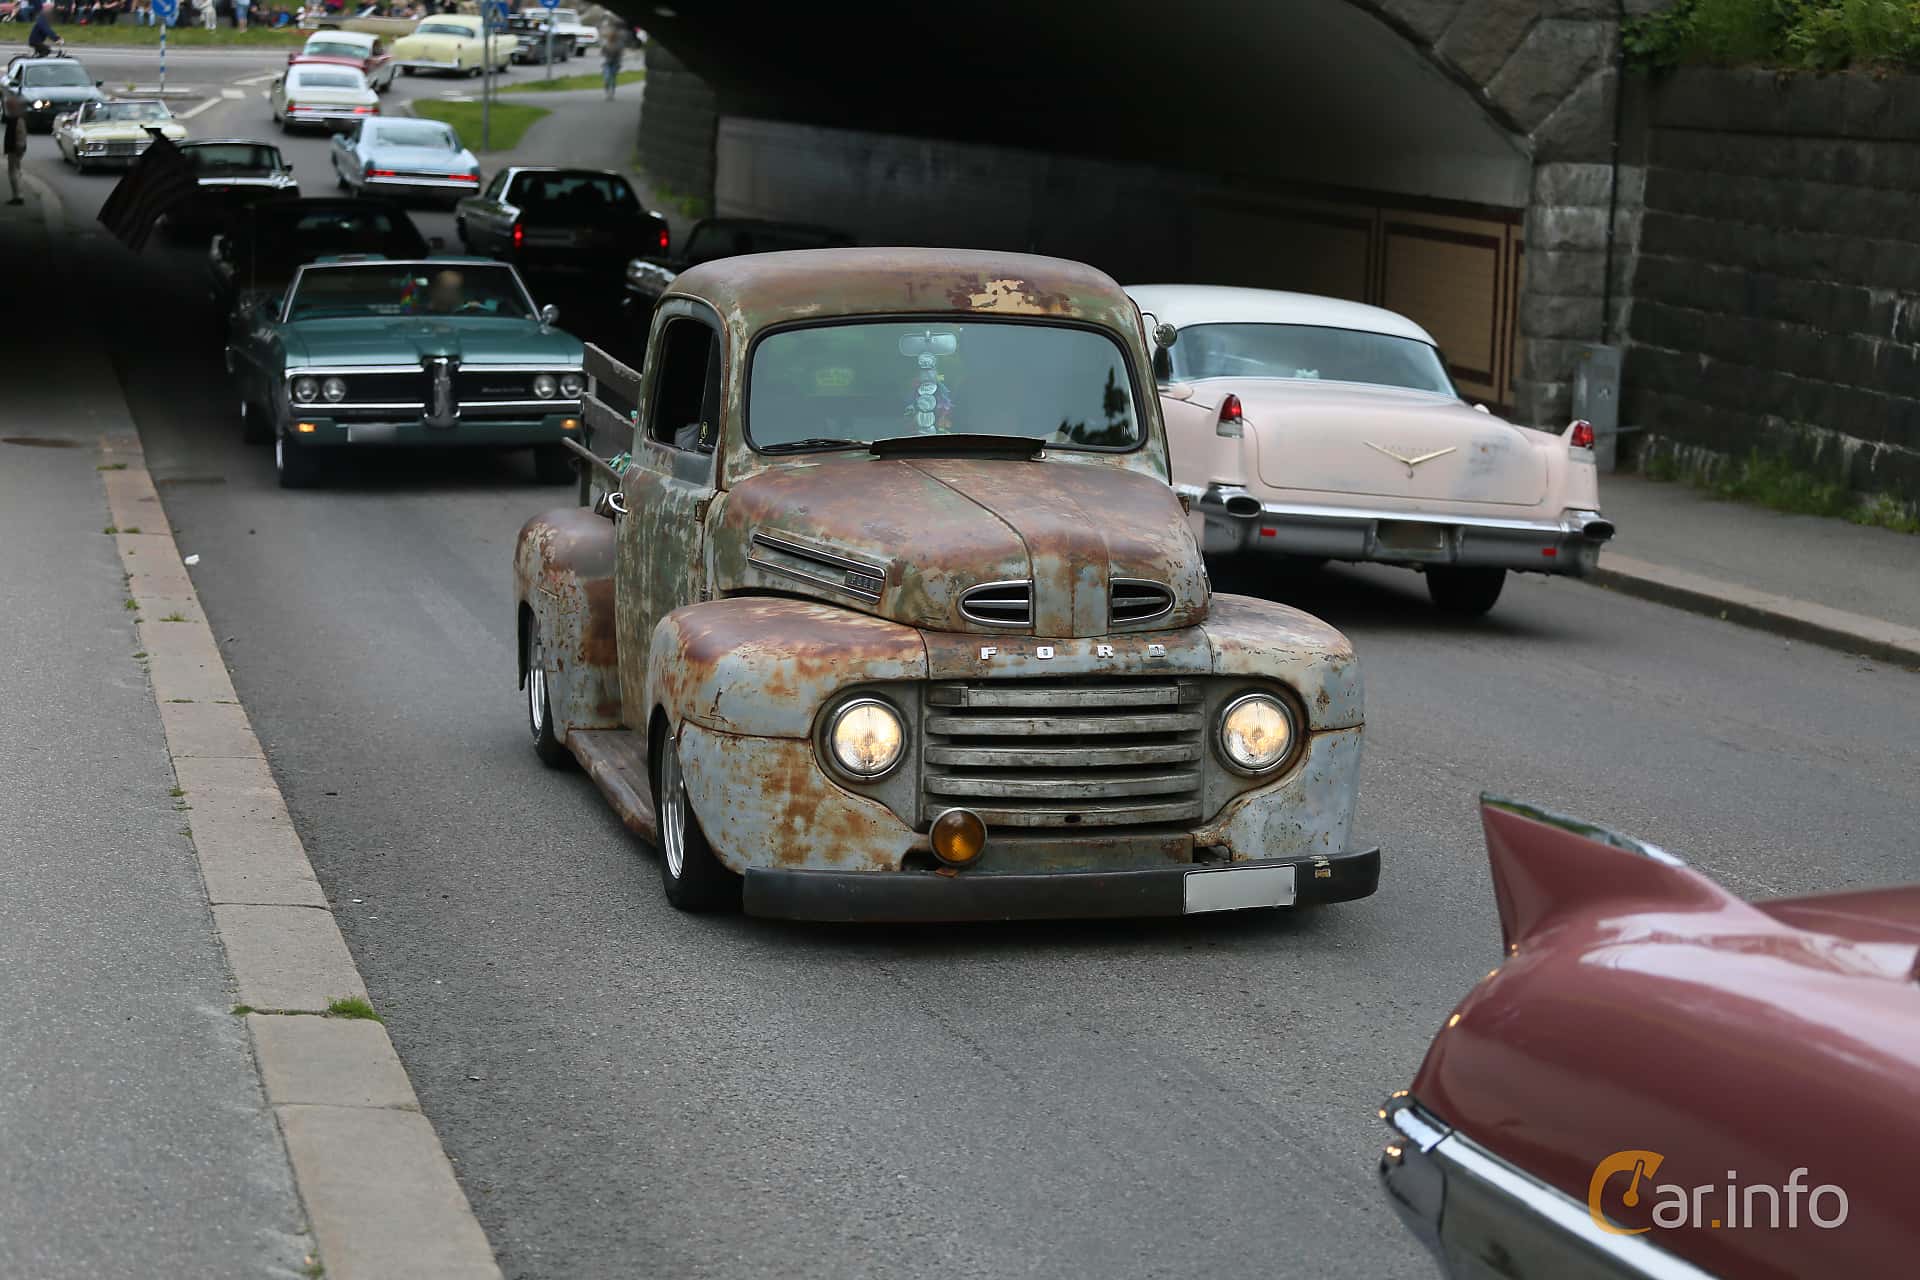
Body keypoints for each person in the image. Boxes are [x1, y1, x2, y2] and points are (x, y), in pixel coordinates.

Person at [3, 88, 26, 206]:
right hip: (14, 146)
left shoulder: (17, 119)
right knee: (15, 170)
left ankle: (18, 195)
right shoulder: (14, 118)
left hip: (15, 147)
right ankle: (17, 194)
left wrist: (19, 146)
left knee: (14, 171)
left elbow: (20, 134)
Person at [598, 14, 625, 99]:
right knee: (606, 78)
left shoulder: (619, 44)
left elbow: (620, 54)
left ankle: (611, 94)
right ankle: (607, 93)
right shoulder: (606, 43)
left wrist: (619, 63)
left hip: (615, 63)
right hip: (607, 63)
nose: (611, 36)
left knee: (612, 79)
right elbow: (602, 52)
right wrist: (604, 54)